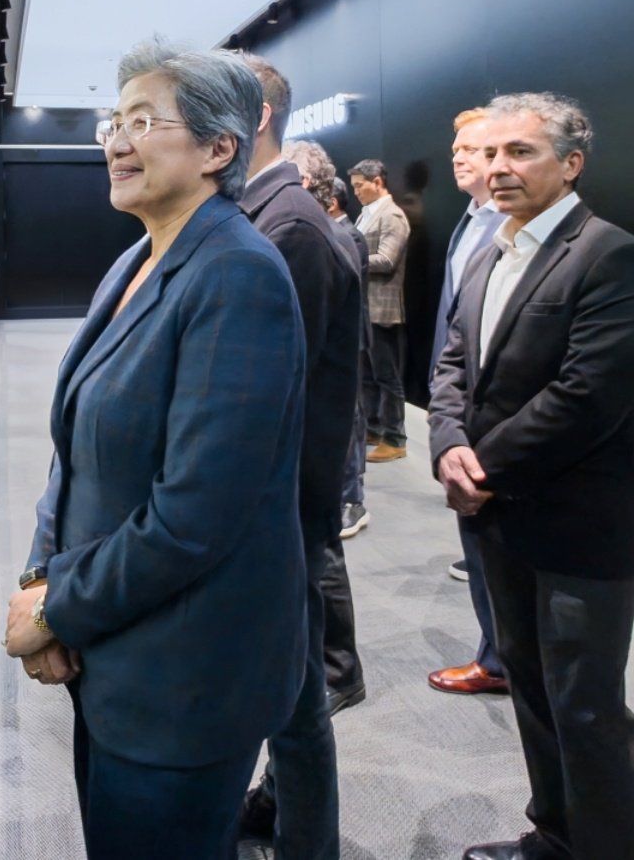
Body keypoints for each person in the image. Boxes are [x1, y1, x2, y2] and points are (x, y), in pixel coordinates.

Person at [2, 41, 308, 860]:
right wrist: (40, 580)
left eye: (144, 122)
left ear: (218, 149)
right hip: (115, 642)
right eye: (115, 122)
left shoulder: (239, 274)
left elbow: (195, 514)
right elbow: (74, 456)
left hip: (185, 674)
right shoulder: (136, 260)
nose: (117, 143)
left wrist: (58, 609)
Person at [428, 92, 634, 860]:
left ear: (571, 164)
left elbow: (588, 395)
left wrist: (482, 466)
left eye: (520, 151)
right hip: (500, 522)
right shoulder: (491, 250)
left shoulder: (615, 256)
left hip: (578, 529)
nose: (498, 167)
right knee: (531, 691)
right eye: (490, 152)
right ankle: (556, 839)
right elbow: (454, 365)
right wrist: (447, 444)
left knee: (587, 712)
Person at [237, 55, 360, 857]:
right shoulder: (260, 212)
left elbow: (277, 394)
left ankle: (304, 838)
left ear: (252, 117)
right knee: (291, 691)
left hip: (279, 509)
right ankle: (282, 813)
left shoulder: (288, 224)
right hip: (272, 506)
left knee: (298, 699)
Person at [281, 141, 368, 717]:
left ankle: (341, 671)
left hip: (320, 421)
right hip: (317, 417)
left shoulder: (324, 238)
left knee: (321, 549)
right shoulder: (320, 233)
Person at [426, 107, 510, 697]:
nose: (458, 156)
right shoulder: (470, 220)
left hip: (494, 416)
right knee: (479, 544)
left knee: (498, 547)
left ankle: (503, 661)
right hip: (461, 407)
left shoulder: (510, 227)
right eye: (456, 148)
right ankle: (498, 655)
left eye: (472, 148)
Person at [348, 159, 410, 462]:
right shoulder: (367, 214)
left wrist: (348, 254)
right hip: (366, 307)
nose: (356, 192)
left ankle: (396, 438)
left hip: (382, 309)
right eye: (354, 187)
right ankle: (373, 427)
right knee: (368, 375)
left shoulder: (392, 215)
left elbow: (387, 259)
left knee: (387, 376)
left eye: (360, 186)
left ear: (377, 182)